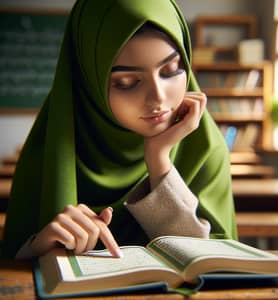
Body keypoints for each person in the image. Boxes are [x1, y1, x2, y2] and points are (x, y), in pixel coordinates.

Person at [1, 0, 237, 260]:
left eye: (170, 70)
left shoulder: (205, 148)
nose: (158, 98)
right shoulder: (47, 153)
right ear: (90, 84)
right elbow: (12, 270)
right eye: (127, 82)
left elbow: (208, 265)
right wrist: (37, 248)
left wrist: (159, 163)